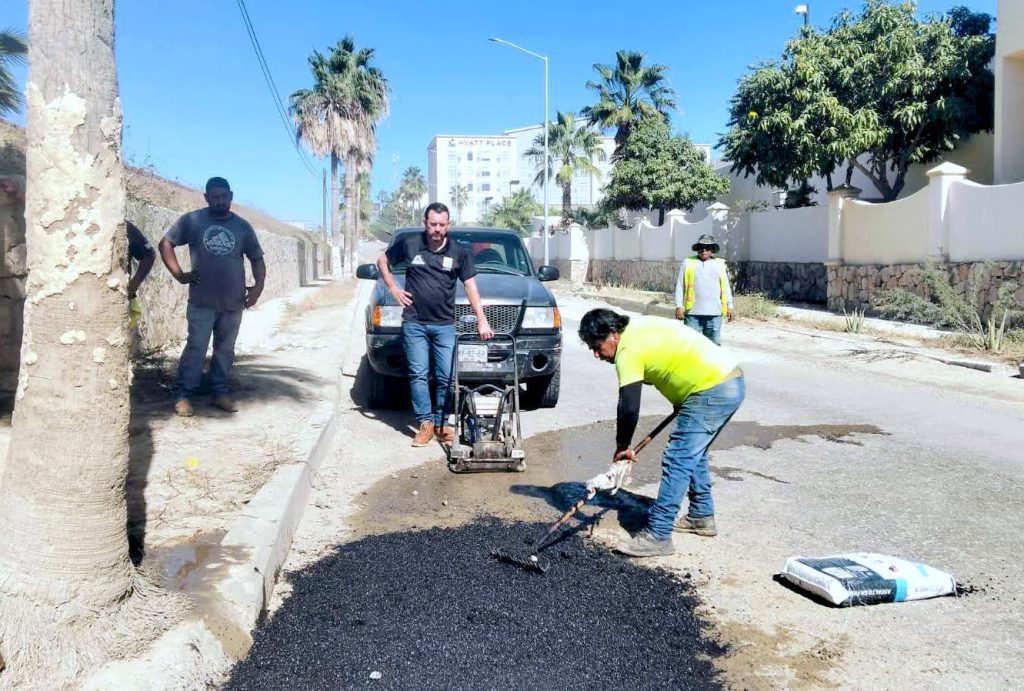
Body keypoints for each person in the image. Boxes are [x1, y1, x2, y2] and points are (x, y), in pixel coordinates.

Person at [579, 308, 745, 558]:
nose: (596, 354)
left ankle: (658, 535)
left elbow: (629, 407)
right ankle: (701, 515)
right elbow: (672, 356)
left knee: (678, 457)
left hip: (711, 388)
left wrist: (622, 446)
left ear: (613, 334)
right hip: (728, 380)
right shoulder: (638, 327)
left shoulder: (627, 351)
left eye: (597, 346)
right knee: (693, 452)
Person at [376, 202, 494, 446]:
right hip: (414, 323)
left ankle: (440, 425)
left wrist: (482, 320)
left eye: (442, 224)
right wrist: (394, 289)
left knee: (446, 378)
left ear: (448, 225)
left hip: (444, 325)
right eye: (433, 224)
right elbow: (382, 261)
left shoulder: (459, 252)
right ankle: (425, 424)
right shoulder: (410, 244)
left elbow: (470, 286)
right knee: (418, 374)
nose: (437, 229)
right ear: (425, 223)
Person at [159, 177, 266, 417]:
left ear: (231, 196)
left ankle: (220, 393)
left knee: (225, 351)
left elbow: (257, 258)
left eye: (224, 196)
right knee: (195, 349)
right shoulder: (193, 220)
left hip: (233, 302)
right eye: (215, 197)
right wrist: (179, 275)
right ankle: (184, 396)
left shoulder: (242, 227)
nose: (220, 201)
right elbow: (165, 244)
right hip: (202, 302)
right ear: (207, 198)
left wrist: (258, 287)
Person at [674, 233, 734, 345]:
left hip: (714, 314)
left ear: (712, 249)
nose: (704, 250)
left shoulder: (720, 264)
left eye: (707, 247)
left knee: (713, 346)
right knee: (690, 346)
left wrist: (730, 306)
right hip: (692, 314)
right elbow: (680, 285)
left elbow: (725, 287)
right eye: (701, 247)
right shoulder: (688, 262)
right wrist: (678, 305)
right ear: (697, 249)